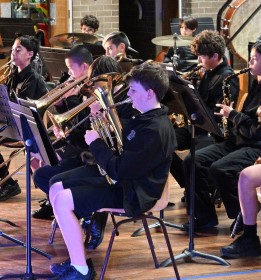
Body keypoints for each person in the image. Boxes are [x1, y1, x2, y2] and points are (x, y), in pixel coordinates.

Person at [46, 62, 176, 279]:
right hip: (124, 182)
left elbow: (119, 170)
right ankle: (77, 259)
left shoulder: (154, 130)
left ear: (150, 93)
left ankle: (81, 271)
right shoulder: (143, 117)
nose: (129, 95)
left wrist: (96, 143)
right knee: (56, 187)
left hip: (134, 194)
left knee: (62, 200)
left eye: (134, 90)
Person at [33, 55, 136, 249]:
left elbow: (121, 141)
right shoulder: (92, 97)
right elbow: (81, 137)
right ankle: (78, 214)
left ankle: (85, 217)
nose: (93, 89)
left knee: (58, 182)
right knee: (42, 176)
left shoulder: (127, 101)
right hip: (89, 155)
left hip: (108, 163)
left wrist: (103, 118)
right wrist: (65, 131)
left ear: (109, 79)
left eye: (95, 83)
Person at [182, 40, 261, 232]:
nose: (249, 64)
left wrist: (232, 115)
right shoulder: (258, 84)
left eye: (254, 59)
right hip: (238, 139)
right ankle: (204, 217)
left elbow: (259, 130)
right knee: (192, 160)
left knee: (221, 169)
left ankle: (242, 215)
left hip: (257, 145)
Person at [169, 29, 239, 194]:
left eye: (201, 56)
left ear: (215, 56)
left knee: (192, 160)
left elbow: (221, 116)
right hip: (198, 126)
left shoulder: (227, 79)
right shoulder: (207, 73)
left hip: (214, 132)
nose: (198, 60)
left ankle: (201, 187)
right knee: (162, 143)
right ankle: (192, 186)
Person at [32, 45, 93, 219]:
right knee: (40, 153)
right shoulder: (77, 86)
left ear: (84, 67)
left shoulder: (90, 91)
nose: (68, 73)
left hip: (84, 151)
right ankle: (54, 202)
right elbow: (70, 123)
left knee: (44, 172)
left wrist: (72, 100)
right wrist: (61, 104)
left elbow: (81, 132)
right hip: (74, 143)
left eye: (70, 68)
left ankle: (72, 206)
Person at [0, 35, 47, 202]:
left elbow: (21, 108)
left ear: (30, 54)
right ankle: (6, 181)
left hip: (28, 128)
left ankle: (8, 183)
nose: (13, 53)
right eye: (12, 50)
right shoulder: (13, 75)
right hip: (12, 124)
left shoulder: (33, 79)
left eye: (18, 50)